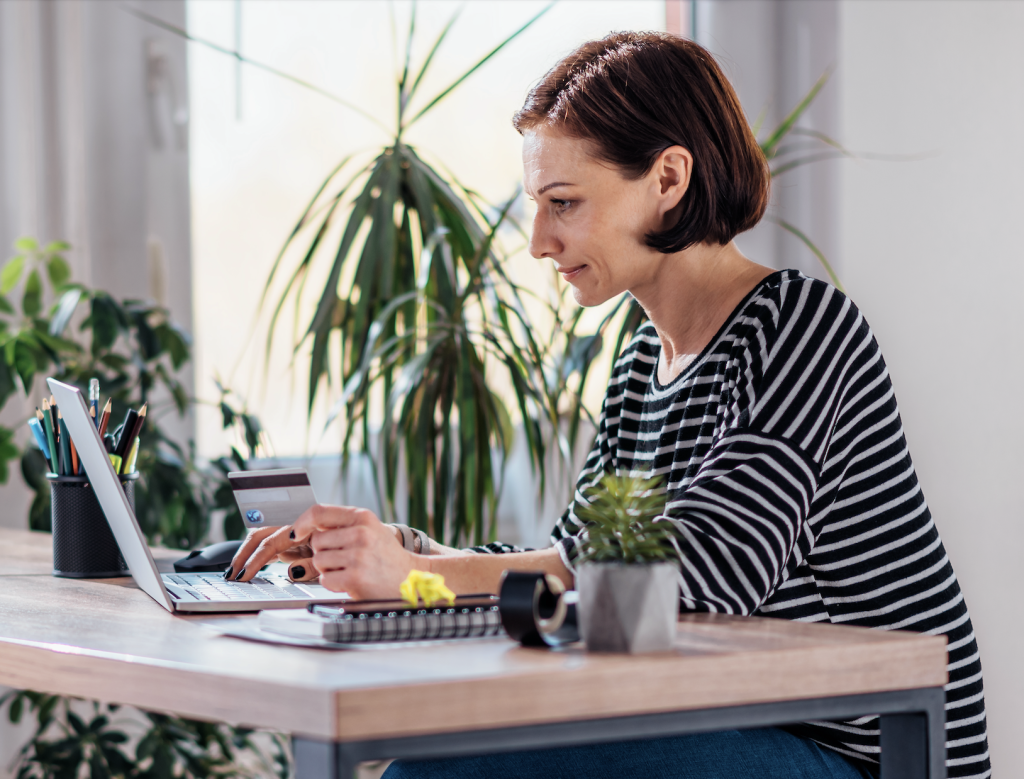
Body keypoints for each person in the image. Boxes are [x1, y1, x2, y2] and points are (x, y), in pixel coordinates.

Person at [229, 32, 990, 779]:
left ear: (668, 178)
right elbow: (576, 560)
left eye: (563, 203)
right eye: (537, 204)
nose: (537, 241)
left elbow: (701, 574)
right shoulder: (639, 358)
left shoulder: (799, 327)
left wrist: (413, 575)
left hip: (869, 748)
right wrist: (402, 553)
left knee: (447, 769)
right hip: (744, 717)